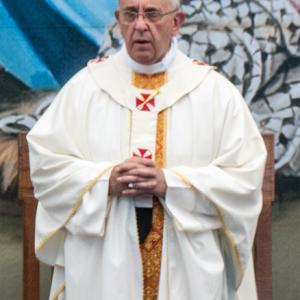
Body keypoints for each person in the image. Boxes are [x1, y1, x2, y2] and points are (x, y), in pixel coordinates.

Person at [27, 0, 267, 299]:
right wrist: (105, 180)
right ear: (118, 20)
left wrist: (172, 184)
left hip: (187, 259)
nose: (140, 25)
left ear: (176, 22)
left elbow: (244, 180)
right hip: (102, 258)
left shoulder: (215, 94)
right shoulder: (84, 89)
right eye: (131, 14)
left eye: (152, 14)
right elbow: (46, 167)